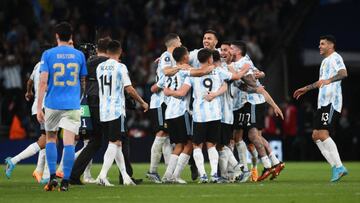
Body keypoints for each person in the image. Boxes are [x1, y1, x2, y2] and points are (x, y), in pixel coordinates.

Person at [165, 48, 249, 183]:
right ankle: (214, 174)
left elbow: (181, 93)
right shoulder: (218, 71)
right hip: (215, 114)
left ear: (198, 60)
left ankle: (203, 175)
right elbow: (233, 78)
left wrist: (169, 92)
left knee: (197, 146)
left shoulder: (191, 74)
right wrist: (246, 68)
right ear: (210, 59)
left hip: (199, 115)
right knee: (212, 145)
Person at [36, 22, 87, 191]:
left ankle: (51, 177)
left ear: (56, 36)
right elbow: (83, 81)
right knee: (69, 143)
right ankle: (65, 181)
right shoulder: (79, 55)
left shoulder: (48, 54)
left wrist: (38, 108)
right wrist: (77, 98)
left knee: (51, 138)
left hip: (52, 104)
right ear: (71, 36)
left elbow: (43, 82)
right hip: (72, 105)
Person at [293, 35, 348, 182]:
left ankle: (340, 166)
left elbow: (343, 73)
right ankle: (335, 167)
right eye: (319, 44)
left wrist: (329, 80)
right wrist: (306, 88)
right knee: (315, 136)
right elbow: (320, 82)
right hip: (321, 103)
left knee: (323, 134)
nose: (319, 46)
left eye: (322, 44)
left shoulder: (336, 57)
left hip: (331, 102)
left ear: (331, 46)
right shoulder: (324, 62)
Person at [95, 40, 148, 186]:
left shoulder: (100, 67)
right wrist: (142, 102)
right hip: (116, 110)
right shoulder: (120, 67)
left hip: (103, 110)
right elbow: (129, 89)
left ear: (107, 52)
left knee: (117, 144)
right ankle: (102, 175)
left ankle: (125, 177)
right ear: (120, 52)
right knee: (115, 143)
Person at [69, 37, 110, 185]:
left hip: (87, 102)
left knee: (95, 141)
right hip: (102, 103)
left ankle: (73, 174)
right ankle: (123, 175)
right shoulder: (109, 64)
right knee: (115, 139)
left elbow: (81, 81)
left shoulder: (88, 62)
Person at [5, 60, 46, 183]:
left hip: (36, 108)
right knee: (49, 140)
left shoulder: (37, 65)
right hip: (45, 107)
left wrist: (29, 92)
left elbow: (29, 81)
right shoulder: (53, 63)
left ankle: (40, 172)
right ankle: (14, 160)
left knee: (47, 139)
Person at [147, 33, 180, 183]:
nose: (181, 43)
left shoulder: (171, 58)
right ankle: (152, 171)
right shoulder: (167, 55)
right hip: (160, 101)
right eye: (180, 41)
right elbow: (166, 73)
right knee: (161, 133)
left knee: (166, 136)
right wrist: (158, 85)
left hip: (167, 101)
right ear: (175, 43)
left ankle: (168, 173)